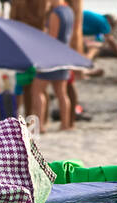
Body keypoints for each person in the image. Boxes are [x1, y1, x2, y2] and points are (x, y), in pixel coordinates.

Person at [33, 0, 76, 130]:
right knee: (61, 93)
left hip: (52, 56)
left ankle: (40, 126)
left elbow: (52, 38)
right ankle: (65, 123)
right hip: (64, 54)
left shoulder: (56, 13)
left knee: (37, 90)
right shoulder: (69, 11)